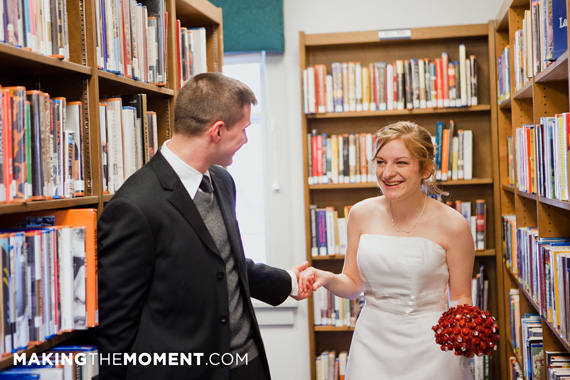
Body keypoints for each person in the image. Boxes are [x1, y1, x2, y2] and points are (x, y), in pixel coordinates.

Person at [96, 73, 310, 380]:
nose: (246, 140)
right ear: (218, 131)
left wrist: (287, 282)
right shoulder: (134, 207)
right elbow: (116, 322)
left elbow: (223, 261)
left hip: (246, 365)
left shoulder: (222, 181)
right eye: (244, 130)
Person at [300, 121, 475, 380]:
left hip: (431, 347)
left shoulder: (454, 224)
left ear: (425, 169)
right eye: (380, 162)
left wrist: (465, 335)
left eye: (401, 163)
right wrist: (326, 278)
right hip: (372, 344)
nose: (387, 173)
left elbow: (460, 296)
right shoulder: (360, 214)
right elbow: (353, 284)